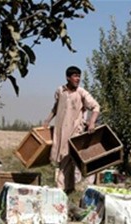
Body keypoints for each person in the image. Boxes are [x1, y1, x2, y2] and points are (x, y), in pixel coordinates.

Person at [43, 65, 100, 194]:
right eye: (75, 76)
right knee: (64, 159)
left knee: (66, 158)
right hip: (60, 130)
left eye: (79, 76)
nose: (78, 79)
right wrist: (47, 120)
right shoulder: (60, 91)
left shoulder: (82, 93)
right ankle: (69, 188)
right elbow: (56, 107)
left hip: (75, 131)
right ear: (68, 78)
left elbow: (96, 107)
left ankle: (60, 189)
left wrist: (92, 122)